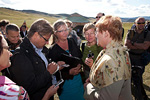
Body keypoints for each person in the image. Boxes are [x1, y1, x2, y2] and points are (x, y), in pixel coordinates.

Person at [8, 19, 64, 100]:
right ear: (36, 35)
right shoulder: (20, 55)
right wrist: (49, 72)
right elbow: (28, 87)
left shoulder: (41, 49)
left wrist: (56, 66)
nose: (47, 42)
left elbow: (42, 68)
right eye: (46, 39)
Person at [84, 15, 132, 100]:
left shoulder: (111, 60)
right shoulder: (120, 51)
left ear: (106, 34)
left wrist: (89, 87)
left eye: (97, 32)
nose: (95, 35)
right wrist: (93, 80)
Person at [0, 34, 60, 100]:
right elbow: (30, 86)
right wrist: (48, 95)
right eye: (6, 49)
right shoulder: (13, 93)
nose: (10, 54)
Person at [47, 19, 85, 100]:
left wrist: (79, 65)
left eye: (66, 29)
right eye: (61, 31)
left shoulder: (71, 41)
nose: (65, 32)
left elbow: (79, 56)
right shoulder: (52, 50)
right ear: (55, 33)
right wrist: (69, 72)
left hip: (78, 80)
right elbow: (54, 72)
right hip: (65, 85)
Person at [125, 17, 150, 100]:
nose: (141, 25)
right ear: (135, 23)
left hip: (140, 59)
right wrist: (139, 45)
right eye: (139, 23)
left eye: (143, 23)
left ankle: (139, 97)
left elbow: (145, 46)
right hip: (130, 57)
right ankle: (143, 97)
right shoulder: (130, 32)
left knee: (137, 78)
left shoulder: (147, 33)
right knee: (131, 79)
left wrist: (132, 43)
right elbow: (126, 44)